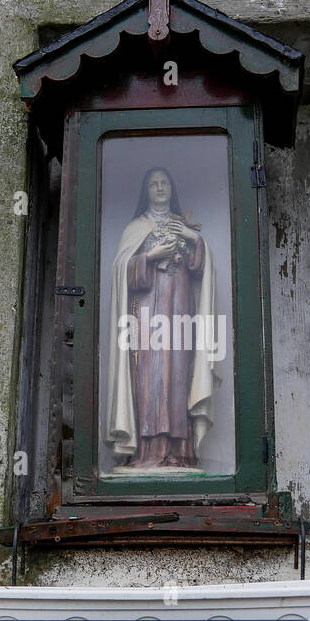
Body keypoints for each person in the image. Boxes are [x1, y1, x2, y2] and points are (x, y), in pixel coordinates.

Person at [104, 166, 218, 469]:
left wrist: (194, 239)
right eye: (153, 183)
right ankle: (145, 453)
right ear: (146, 191)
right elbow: (121, 274)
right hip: (144, 319)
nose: (159, 188)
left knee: (179, 375)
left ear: (172, 189)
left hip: (180, 315)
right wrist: (151, 257)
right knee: (148, 378)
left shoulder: (183, 226)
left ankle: (179, 453)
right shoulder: (135, 228)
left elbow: (201, 270)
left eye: (164, 182)